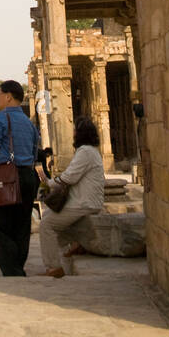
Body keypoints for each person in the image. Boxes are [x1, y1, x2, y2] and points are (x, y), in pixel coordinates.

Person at [0, 80, 40, 278]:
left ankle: (11, 268)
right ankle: (18, 264)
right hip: (27, 176)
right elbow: (33, 152)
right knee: (21, 224)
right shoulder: (29, 124)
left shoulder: (0, 119)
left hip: (6, 178)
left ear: (8, 97)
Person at [39, 116, 105, 277]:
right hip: (88, 201)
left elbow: (70, 177)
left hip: (84, 203)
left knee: (46, 224)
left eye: (75, 130)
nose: (73, 133)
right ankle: (78, 243)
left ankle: (53, 267)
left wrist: (49, 182)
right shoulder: (90, 152)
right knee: (52, 219)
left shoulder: (85, 152)